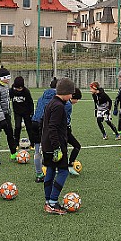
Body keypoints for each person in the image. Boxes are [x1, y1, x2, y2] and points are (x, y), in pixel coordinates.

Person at [42, 77, 75, 215]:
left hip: (46, 144)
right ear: (66, 92)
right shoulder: (59, 106)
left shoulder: (51, 103)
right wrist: (57, 148)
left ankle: (48, 201)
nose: (72, 96)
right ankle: (54, 202)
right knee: (63, 171)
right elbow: (53, 128)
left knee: (50, 169)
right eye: (71, 93)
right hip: (55, 145)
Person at [0, 65, 17, 166]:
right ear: (3, 78)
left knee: (10, 134)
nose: (9, 79)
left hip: (6, 114)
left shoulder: (5, 86)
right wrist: (2, 119)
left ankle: (13, 153)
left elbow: (6, 100)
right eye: (7, 78)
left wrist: (8, 114)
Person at [31, 77, 57, 183]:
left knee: (37, 151)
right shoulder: (56, 98)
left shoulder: (42, 96)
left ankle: (39, 174)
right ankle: (53, 171)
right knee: (52, 148)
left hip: (34, 123)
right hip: (44, 124)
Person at [9, 76, 34, 148]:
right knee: (17, 127)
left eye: (20, 88)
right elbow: (7, 99)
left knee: (29, 127)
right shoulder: (11, 91)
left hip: (27, 112)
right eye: (17, 88)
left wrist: (31, 112)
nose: (19, 90)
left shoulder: (26, 91)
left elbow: (31, 102)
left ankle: (32, 144)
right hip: (17, 112)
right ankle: (16, 143)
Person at [65, 87, 82, 176]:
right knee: (77, 146)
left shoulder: (66, 103)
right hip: (64, 131)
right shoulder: (68, 105)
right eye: (77, 99)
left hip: (63, 130)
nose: (77, 101)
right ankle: (69, 166)